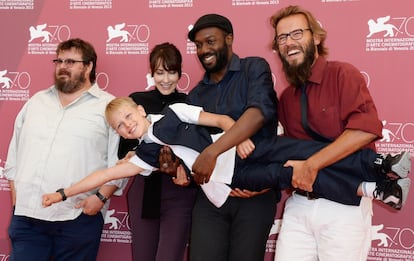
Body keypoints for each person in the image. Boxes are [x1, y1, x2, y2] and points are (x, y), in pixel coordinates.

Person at [41, 97, 411, 210]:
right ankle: (373, 189)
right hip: (233, 178)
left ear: (140, 110)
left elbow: (218, 118)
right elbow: (104, 176)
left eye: (127, 118)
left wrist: (237, 135)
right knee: (291, 174)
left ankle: (379, 163)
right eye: (119, 128)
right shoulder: (145, 156)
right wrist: (63, 193)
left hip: (244, 148)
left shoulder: (175, 112)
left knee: (304, 150)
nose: (126, 127)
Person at [269, 5, 403, 261]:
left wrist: (312, 164)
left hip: (345, 207)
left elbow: (365, 130)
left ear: (317, 37)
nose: (289, 42)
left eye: (297, 33)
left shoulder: (343, 74)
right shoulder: (286, 97)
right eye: (282, 38)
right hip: (299, 206)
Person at [3, 38, 126, 260]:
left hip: (77, 218)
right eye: (59, 60)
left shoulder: (108, 107)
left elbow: (120, 164)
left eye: (70, 61)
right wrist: (17, 199)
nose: (62, 66)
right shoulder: (35, 102)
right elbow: (14, 156)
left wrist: (100, 197)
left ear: (88, 66)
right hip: (29, 219)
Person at [117, 42, 196, 261]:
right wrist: (133, 154)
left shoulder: (189, 103)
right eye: (160, 72)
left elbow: (196, 149)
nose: (166, 79)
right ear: (152, 73)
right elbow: (124, 147)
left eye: (172, 72)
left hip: (179, 190)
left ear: (180, 73)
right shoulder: (137, 101)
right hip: (144, 190)